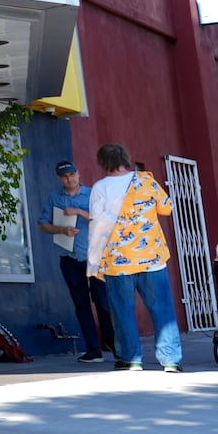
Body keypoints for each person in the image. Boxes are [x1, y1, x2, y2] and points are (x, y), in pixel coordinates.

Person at [86, 143, 181, 373]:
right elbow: (167, 208)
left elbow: (97, 225)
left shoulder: (100, 188)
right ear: (125, 158)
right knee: (163, 310)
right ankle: (170, 361)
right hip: (152, 258)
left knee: (122, 311)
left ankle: (131, 360)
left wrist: (92, 262)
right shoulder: (146, 181)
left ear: (102, 162)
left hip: (118, 261)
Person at [38, 160, 114, 362]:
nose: (69, 179)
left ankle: (114, 344)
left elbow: (104, 220)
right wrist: (62, 230)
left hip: (94, 256)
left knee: (103, 302)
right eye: (64, 176)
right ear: (59, 178)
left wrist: (79, 212)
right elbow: (43, 225)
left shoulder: (92, 195)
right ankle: (93, 350)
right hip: (69, 258)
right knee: (81, 305)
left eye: (72, 174)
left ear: (78, 174)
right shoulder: (55, 198)